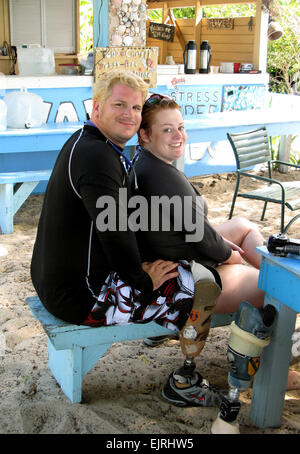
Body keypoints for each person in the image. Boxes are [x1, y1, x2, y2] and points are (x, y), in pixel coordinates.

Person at [131, 93, 300, 405]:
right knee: (272, 287)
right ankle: (274, 366)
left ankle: (270, 294)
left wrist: (225, 247)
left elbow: (195, 230)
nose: (178, 135)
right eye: (167, 130)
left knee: (243, 225)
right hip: (175, 275)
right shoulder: (163, 177)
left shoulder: (146, 163)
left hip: (174, 250)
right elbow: (207, 242)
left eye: (180, 127)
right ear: (145, 135)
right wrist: (231, 256)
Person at [30, 71, 190, 329]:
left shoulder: (89, 142)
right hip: (82, 298)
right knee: (187, 282)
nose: (130, 114)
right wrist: (142, 280)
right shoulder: (97, 157)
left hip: (56, 283)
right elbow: (115, 230)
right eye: (119, 105)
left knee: (170, 263)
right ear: (97, 107)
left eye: (136, 107)